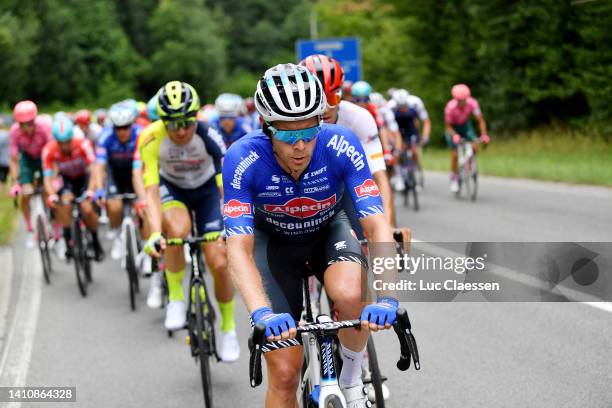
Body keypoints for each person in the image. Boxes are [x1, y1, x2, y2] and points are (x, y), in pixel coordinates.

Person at [223, 63, 399, 408]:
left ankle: (350, 380)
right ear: (266, 126)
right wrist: (261, 312)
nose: (301, 145)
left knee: (351, 295)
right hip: (272, 245)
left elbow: (376, 225)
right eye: (288, 135)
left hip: (326, 233)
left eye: (309, 130)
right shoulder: (242, 158)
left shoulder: (342, 143)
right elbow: (238, 250)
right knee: (285, 375)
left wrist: (389, 297)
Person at [140, 81, 239, 362]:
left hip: (208, 190)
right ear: (162, 122)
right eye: (172, 125)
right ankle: (175, 297)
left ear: (196, 116)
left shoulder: (209, 134)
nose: (181, 131)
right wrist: (154, 233)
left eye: (186, 122)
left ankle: (228, 327)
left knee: (219, 261)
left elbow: (226, 188)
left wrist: (233, 224)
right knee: (177, 230)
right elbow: (150, 191)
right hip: (174, 191)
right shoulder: (150, 138)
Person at [300, 54, 396, 236]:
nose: (326, 108)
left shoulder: (359, 117)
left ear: (342, 94)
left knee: (370, 236)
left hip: (345, 185)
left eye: (332, 98)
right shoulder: (292, 125)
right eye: (318, 100)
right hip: (305, 194)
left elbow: (379, 177)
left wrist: (388, 226)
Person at [42, 116, 105, 261]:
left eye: (67, 142)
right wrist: (52, 195)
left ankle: (95, 240)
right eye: (61, 143)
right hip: (68, 181)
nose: (64, 146)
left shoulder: (83, 144)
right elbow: (47, 177)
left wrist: (91, 190)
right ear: (56, 141)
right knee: (64, 204)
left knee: (87, 208)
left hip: (84, 179)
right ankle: (68, 240)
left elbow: (94, 170)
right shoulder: (49, 149)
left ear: (72, 138)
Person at [94, 101, 143, 261]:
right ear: (112, 127)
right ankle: (117, 235)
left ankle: (145, 241)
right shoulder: (105, 136)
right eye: (118, 128)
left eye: (126, 127)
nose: (122, 131)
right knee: (114, 207)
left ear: (132, 124)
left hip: (137, 174)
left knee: (144, 208)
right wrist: (99, 189)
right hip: (115, 175)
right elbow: (99, 166)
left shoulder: (141, 134)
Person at [9, 100, 53, 248]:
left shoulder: (44, 127)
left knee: (49, 190)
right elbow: (14, 160)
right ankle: (29, 229)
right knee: (26, 193)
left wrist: (53, 177)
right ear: (18, 123)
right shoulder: (14, 132)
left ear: (35, 119)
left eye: (30, 122)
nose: (27, 127)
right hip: (27, 159)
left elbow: (53, 152)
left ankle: (54, 226)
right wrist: (16, 182)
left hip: (44, 156)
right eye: (23, 124)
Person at [444, 84, 490, 193]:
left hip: (465, 126)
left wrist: (484, 134)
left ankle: (469, 164)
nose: (462, 102)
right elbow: (448, 126)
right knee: (454, 155)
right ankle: (454, 176)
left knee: (474, 145)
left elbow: (480, 120)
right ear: (455, 99)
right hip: (453, 128)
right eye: (460, 100)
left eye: (464, 100)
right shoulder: (450, 107)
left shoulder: (473, 103)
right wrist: (454, 135)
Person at [391, 89, 431, 189]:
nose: (403, 108)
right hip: (397, 127)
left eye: (405, 106)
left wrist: (425, 136)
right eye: (401, 107)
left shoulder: (416, 103)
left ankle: (414, 173)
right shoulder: (390, 107)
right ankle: (399, 176)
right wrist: (395, 142)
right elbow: (389, 128)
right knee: (398, 151)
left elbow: (425, 121)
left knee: (414, 150)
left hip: (410, 127)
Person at [0, 118, 10, 188]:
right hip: (6, 160)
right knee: (4, 178)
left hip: (3, 160)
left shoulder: (4, 134)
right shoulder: (6, 134)